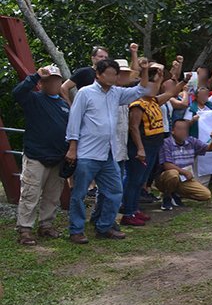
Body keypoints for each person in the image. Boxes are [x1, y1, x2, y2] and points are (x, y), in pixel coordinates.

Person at [65, 58, 150, 244]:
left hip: (109, 152)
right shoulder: (85, 93)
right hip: (87, 153)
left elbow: (141, 90)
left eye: (115, 74)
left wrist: (144, 71)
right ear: (98, 74)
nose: (112, 78)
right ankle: (76, 230)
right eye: (109, 74)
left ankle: (104, 226)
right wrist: (72, 147)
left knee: (114, 191)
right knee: (79, 194)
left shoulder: (116, 93)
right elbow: (74, 120)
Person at [121, 67, 187, 226]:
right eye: (151, 85)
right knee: (134, 179)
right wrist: (140, 148)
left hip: (153, 146)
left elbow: (171, 94)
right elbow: (134, 127)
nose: (155, 88)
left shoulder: (153, 101)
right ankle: (128, 212)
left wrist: (184, 81)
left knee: (142, 180)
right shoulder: (138, 104)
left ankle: (135, 209)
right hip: (141, 146)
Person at [12, 65, 69, 246]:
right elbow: (17, 93)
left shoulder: (63, 105)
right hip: (36, 156)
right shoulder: (33, 99)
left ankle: (46, 225)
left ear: (60, 82)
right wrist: (34, 76)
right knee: (30, 194)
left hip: (58, 157)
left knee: (53, 195)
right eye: (48, 80)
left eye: (56, 80)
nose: (52, 83)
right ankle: (25, 229)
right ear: (41, 83)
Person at [156, 119, 212, 210]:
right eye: (180, 129)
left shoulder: (192, 141)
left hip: (185, 179)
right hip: (167, 177)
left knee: (205, 195)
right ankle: (167, 197)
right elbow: (167, 165)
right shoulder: (166, 143)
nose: (183, 132)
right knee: (173, 174)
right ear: (173, 131)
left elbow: (209, 148)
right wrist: (184, 172)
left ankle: (176, 193)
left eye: (185, 129)